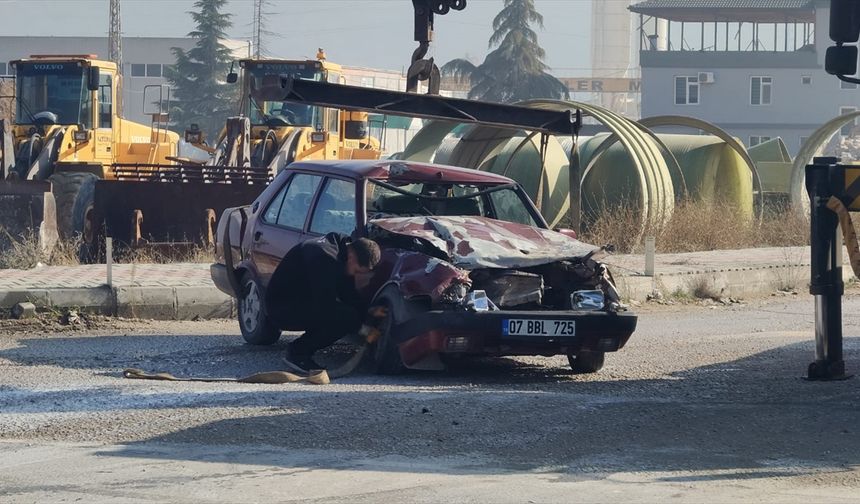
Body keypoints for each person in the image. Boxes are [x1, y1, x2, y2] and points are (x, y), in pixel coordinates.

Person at [265, 233, 381, 372]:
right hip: (281, 308)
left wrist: (369, 312)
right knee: (346, 318)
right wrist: (363, 330)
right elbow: (326, 305)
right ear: (352, 257)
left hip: (302, 300)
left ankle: (301, 349)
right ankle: (298, 353)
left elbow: (348, 294)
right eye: (356, 270)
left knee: (348, 314)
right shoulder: (323, 257)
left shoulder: (341, 248)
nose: (353, 275)